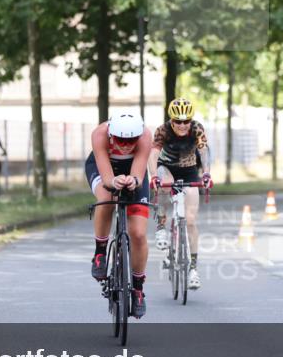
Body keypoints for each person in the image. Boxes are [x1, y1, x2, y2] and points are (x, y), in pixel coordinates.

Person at [85, 113, 152, 319]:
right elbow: (106, 177)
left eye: (131, 140)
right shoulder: (99, 134)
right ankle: (100, 253)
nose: (125, 145)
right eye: (121, 140)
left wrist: (133, 181)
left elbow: (139, 174)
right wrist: (113, 182)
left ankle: (138, 289)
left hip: (132, 169)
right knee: (107, 197)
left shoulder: (145, 135)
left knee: (138, 234)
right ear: (112, 135)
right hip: (102, 167)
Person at [148, 97, 212, 290]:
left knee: (191, 221)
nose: (182, 125)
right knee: (165, 184)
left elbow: (204, 152)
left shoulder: (197, 129)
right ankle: (161, 227)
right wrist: (153, 176)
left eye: (186, 121)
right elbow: (153, 154)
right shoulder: (163, 130)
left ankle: (193, 269)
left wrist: (207, 173)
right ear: (171, 120)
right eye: (178, 121)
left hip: (189, 170)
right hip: (166, 167)